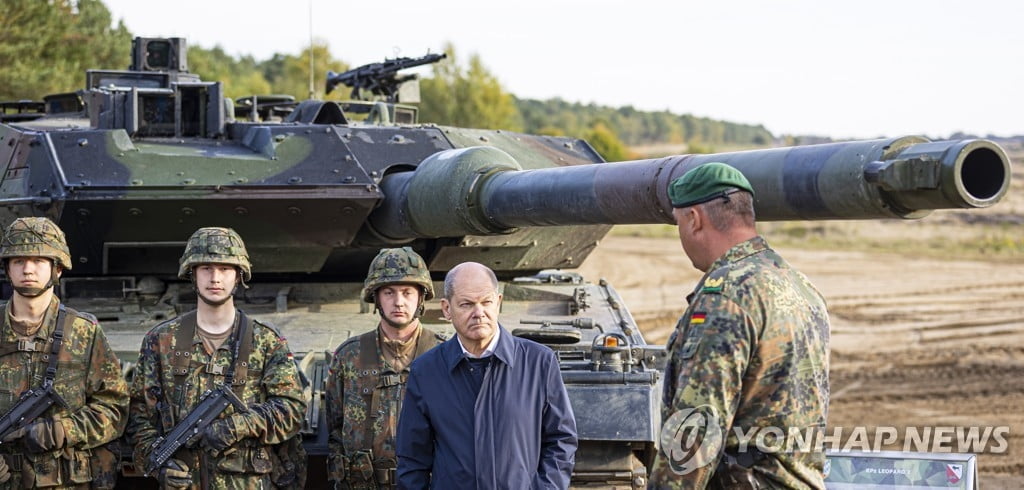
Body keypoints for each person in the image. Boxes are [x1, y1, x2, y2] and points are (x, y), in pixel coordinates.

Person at [647, 162, 831, 489]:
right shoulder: (799, 286)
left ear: (693, 219)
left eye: (678, 224)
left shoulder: (726, 297)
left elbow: (697, 429)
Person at [127, 227, 307, 489]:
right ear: (192, 274)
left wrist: (237, 426)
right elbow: (137, 415)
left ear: (238, 276)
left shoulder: (265, 341)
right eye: (206, 268)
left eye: (225, 269)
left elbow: (292, 410)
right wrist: (158, 461)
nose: (215, 278)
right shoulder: (161, 340)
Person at [396, 262, 577, 489]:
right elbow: (412, 458)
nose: (479, 313)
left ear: (498, 303)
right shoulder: (427, 371)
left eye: (486, 302)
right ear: (446, 309)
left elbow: (561, 441)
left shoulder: (538, 362)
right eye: (466, 304)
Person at [0, 217, 129, 489]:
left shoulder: (84, 332)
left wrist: (62, 430)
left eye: (39, 261)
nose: (28, 269)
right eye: (19, 261)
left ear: (57, 269)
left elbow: (115, 408)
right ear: (8, 269)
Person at [326, 247, 446, 489]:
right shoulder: (350, 355)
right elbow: (335, 426)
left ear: (421, 297)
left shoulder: (443, 354)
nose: (399, 302)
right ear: (376, 297)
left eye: (407, 292)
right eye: (389, 292)